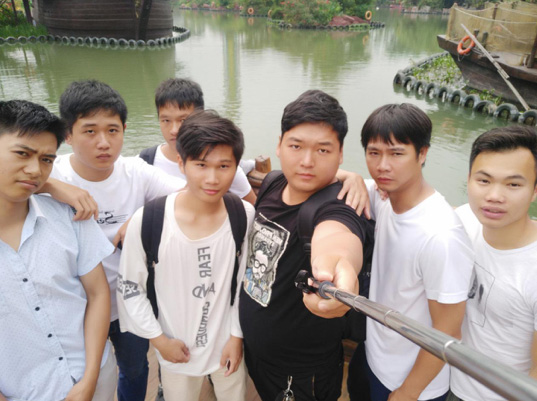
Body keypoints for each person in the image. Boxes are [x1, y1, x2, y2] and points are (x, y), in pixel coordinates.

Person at [309, 103, 474, 401]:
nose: (382, 165)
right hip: (372, 353)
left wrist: (408, 392)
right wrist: (353, 177)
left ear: (422, 154)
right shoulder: (382, 196)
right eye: (374, 153)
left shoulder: (441, 236)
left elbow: (448, 331)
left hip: (411, 382)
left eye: (397, 154)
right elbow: (324, 173)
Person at [49, 80, 185, 401]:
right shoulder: (52, 174)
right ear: (68, 134)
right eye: (89, 131)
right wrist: (51, 187)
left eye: (112, 130)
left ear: (124, 129)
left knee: (135, 369)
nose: (103, 143)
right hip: (76, 307)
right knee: (82, 378)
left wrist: (141, 218)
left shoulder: (135, 171)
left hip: (129, 301)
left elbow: (192, 194)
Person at [239, 90, 375, 401]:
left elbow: (338, 242)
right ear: (279, 144)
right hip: (257, 353)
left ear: (340, 153)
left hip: (300, 373)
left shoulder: (338, 207)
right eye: (296, 146)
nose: (307, 161)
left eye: (323, 150)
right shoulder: (273, 182)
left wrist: (339, 276)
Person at [117, 110, 255, 401]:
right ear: (181, 163)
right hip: (175, 349)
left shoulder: (242, 215)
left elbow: (246, 281)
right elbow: (130, 287)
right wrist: (159, 340)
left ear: (236, 167)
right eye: (201, 165)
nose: (212, 178)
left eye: (224, 166)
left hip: (226, 346)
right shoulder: (150, 220)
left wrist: (236, 336)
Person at [0, 100, 115, 401]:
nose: (34, 170)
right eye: (22, 153)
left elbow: (98, 294)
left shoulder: (69, 217)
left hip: (95, 375)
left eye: (46, 159)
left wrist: (90, 379)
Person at [449, 125, 537, 401]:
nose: (495, 196)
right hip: (449, 382)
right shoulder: (465, 220)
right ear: (468, 180)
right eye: (484, 180)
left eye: (513, 184)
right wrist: (349, 178)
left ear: (535, 190)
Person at [139, 77, 257, 204]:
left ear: (201, 117)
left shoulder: (220, 165)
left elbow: (253, 206)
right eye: (166, 120)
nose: (174, 130)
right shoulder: (146, 162)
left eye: (183, 120)